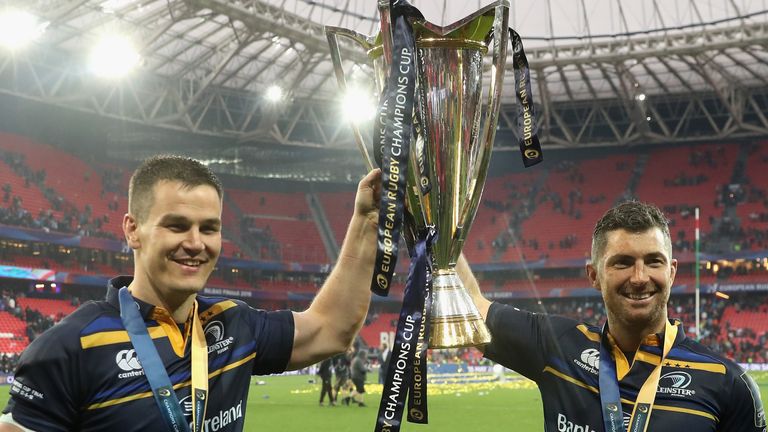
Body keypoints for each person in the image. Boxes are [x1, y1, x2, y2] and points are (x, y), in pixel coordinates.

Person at [0, 155, 382, 431]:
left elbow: (332, 327)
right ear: (133, 230)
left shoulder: (234, 324)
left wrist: (365, 220)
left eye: (209, 228)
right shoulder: (71, 347)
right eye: (177, 225)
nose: (196, 243)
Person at [464, 201, 766, 431]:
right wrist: (431, 230)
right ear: (594, 275)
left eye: (653, 261)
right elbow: (471, 307)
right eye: (622, 263)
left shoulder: (728, 384)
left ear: (671, 272)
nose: (639, 277)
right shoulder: (558, 346)